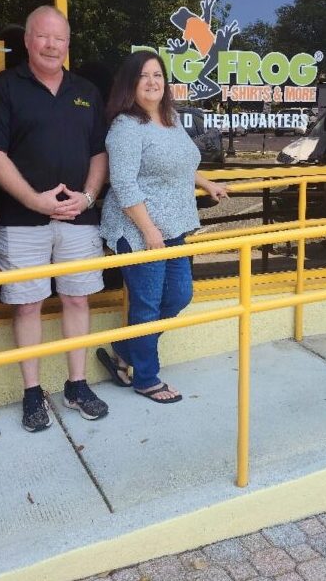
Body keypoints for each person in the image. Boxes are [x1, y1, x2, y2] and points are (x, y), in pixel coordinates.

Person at [0, 5, 109, 431]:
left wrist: (88, 196)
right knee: (27, 305)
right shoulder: (2, 87)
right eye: (42, 36)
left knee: (77, 299)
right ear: (27, 40)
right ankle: (32, 393)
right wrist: (34, 201)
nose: (51, 45)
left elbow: (99, 152)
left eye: (59, 38)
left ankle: (76, 384)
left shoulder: (87, 91)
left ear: (68, 44)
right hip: (22, 220)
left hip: (78, 219)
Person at [95, 51, 227, 402]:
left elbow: (180, 163)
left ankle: (124, 350)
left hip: (173, 227)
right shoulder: (125, 127)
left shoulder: (169, 119)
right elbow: (123, 184)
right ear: (130, 84)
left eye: (157, 75)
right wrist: (149, 230)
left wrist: (207, 183)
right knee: (148, 305)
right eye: (143, 76)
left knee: (179, 295)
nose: (152, 82)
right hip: (139, 231)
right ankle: (146, 378)